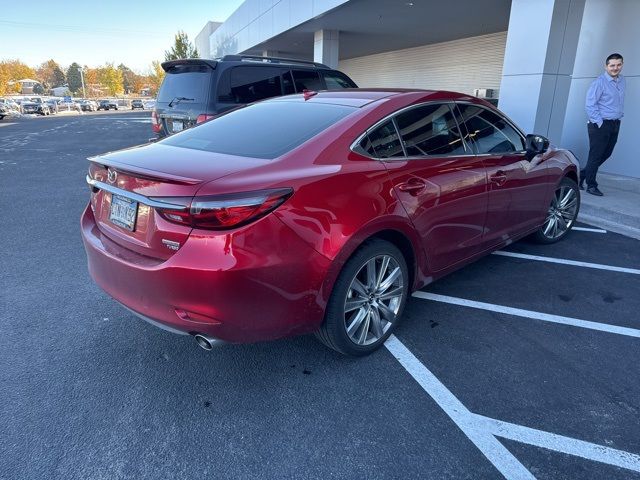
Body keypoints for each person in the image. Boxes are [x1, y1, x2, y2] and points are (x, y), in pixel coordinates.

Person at [581, 53, 625, 196]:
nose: (615, 68)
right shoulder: (599, 82)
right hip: (600, 125)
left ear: (622, 65)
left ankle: (582, 175)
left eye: (618, 64)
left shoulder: (622, 80)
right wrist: (600, 123)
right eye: (612, 65)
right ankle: (591, 185)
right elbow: (590, 105)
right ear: (606, 66)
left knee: (607, 153)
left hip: (615, 124)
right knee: (595, 155)